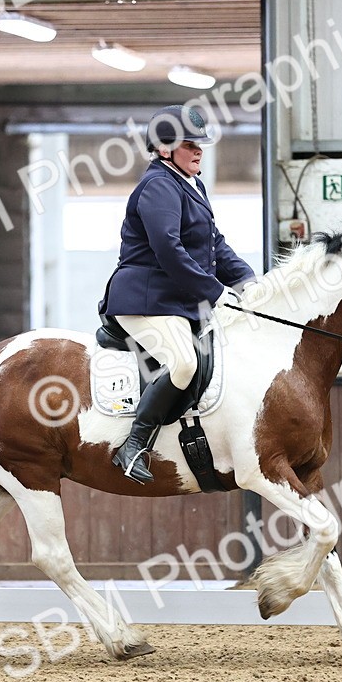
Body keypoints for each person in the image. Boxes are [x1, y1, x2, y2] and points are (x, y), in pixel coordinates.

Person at [98, 104, 256, 484]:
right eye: (189, 144)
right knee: (184, 362)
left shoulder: (191, 184)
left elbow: (213, 244)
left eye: (200, 144)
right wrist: (215, 291)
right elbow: (169, 249)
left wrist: (248, 280)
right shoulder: (158, 186)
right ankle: (134, 446)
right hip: (143, 299)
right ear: (165, 149)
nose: (199, 150)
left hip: (175, 302)